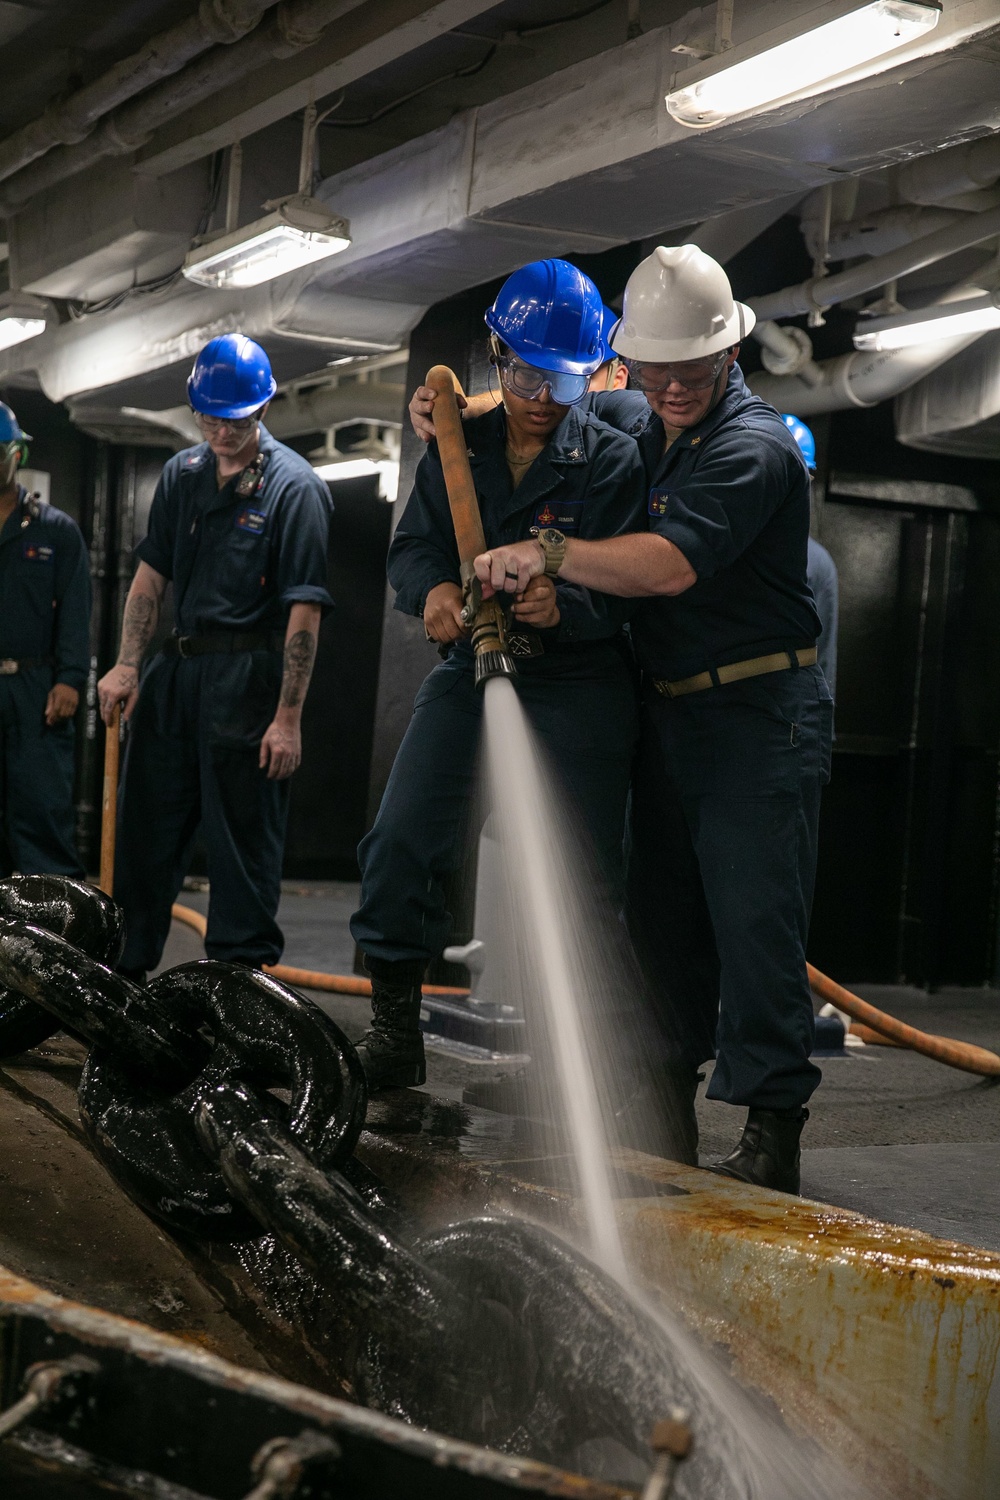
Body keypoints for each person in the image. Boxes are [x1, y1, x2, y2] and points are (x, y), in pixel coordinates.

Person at [416, 245, 833, 1192]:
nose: (672, 385)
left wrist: (547, 552)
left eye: (691, 367)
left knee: (753, 924)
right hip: (668, 714)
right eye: (653, 368)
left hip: (754, 715)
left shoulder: (751, 447)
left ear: (729, 355)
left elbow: (670, 566)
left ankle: (773, 1135)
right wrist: (450, 408)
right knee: (662, 925)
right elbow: (545, 404)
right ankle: (662, 1122)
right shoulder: (648, 421)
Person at [350, 259, 647, 1091]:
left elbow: (627, 589)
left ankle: (574, 1067)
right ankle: (394, 1032)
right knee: (403, 836)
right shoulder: (456, 443)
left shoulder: (614, 460)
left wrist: (570, 611)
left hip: (576, 679)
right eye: (522, 371)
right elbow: (410, 549)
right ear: (495, 353)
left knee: (583, 871)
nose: (542, 395)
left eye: (562, 377)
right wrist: (435, 590)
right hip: (469, 666)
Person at [97, 334, 333, 979]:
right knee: (145, 840)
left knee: (241, 852)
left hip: (248, 682)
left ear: (261, 410)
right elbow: (150, 580)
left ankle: (237, 996)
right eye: (210, 418)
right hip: (176, 678)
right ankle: (122, 982)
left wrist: (288, 718)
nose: (221, 432)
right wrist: (126, 664)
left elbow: (303, 614)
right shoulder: (183, 475)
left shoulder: (296, 489)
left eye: (235, 420)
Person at [0, 400, 90, 876]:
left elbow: (76, 612)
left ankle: (52, 941)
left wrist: (72, 679)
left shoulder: (56, 532)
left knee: (41, 820)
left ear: (18, 455)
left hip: (36, 692)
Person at [781, 414, 839, 697]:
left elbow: (823, 655)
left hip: (781, 712)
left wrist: (821, 734)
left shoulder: (816, 562)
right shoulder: (721, 538)